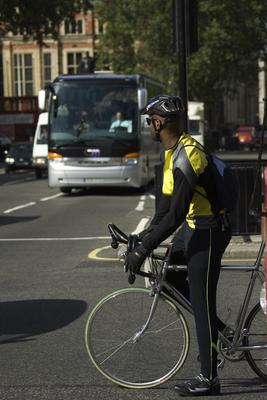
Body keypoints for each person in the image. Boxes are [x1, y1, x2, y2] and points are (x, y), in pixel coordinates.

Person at [125, 95, 232, 397]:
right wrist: (141, 239)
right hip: (193, 228)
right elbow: (162, 212)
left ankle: (209, 379)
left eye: (150, 122)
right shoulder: (170, 154)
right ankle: (221, 333)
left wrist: (143, 251)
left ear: (159, 123)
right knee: (170, 277)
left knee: (202, 303)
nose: (148, 127)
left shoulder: (188, 156)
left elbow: (174, 216)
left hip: (209, 231)